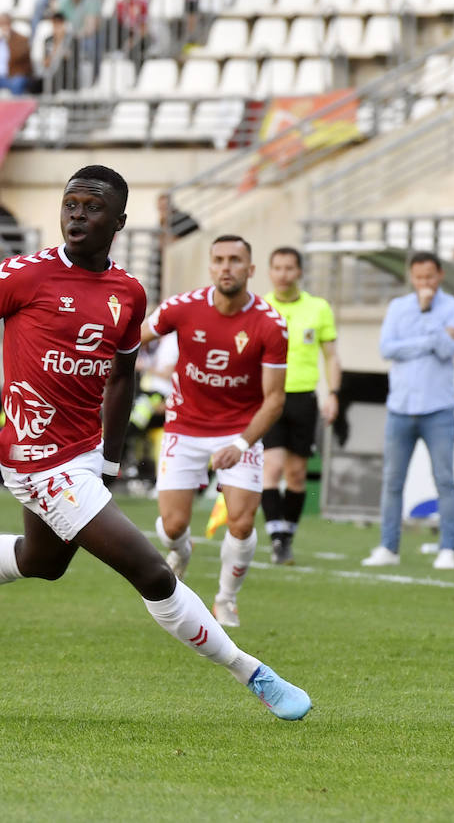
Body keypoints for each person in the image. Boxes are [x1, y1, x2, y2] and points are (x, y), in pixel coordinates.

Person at [0, 166, 311, 722]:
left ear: (119, 221)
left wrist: (108, 458)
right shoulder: (24, 274)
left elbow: (123, 377)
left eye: (92, 207)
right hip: (34, 456)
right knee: (153, 572)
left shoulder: (128, 292)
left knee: (42, 561)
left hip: (81, 453)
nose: (77, 215)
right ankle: (253, 673)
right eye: (70, 204)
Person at [142, 235, 288, 629]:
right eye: (219, 260)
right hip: (184, 426)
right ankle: (181, 550)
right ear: (210, 267)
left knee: (241, 522)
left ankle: (225, 599)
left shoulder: (270, 324)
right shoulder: (182, 307)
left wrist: (242, 443)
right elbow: (133, 339)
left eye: (236, 260)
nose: (227, 267)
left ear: (250, 270)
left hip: (240, 430)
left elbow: (274, 399)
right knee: (172, 526)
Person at [363, 252, 454, 570]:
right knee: (393, 481)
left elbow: (448, 349)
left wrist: (424, 320)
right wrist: (430, 336)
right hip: (400, 407)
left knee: (445, 479)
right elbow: (387, 349)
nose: (425, 284)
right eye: (419, 278)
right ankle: (388, 547)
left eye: (430, 277)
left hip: (438, 409)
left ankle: (448, 548)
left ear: (440, 276)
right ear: (411, 277)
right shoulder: (397, 307)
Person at [260, 247, 342, 565]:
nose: (283, 274)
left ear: (299, 272)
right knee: (273, 467)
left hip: (304, 398)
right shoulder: (261, 307)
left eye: (289, 268)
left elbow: (332, 355)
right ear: (269, 272)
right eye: (277, 267)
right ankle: (277, 537)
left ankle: (287, 535)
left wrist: (333, 393)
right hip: (269, 398)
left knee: (296, 475)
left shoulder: (319, 308)